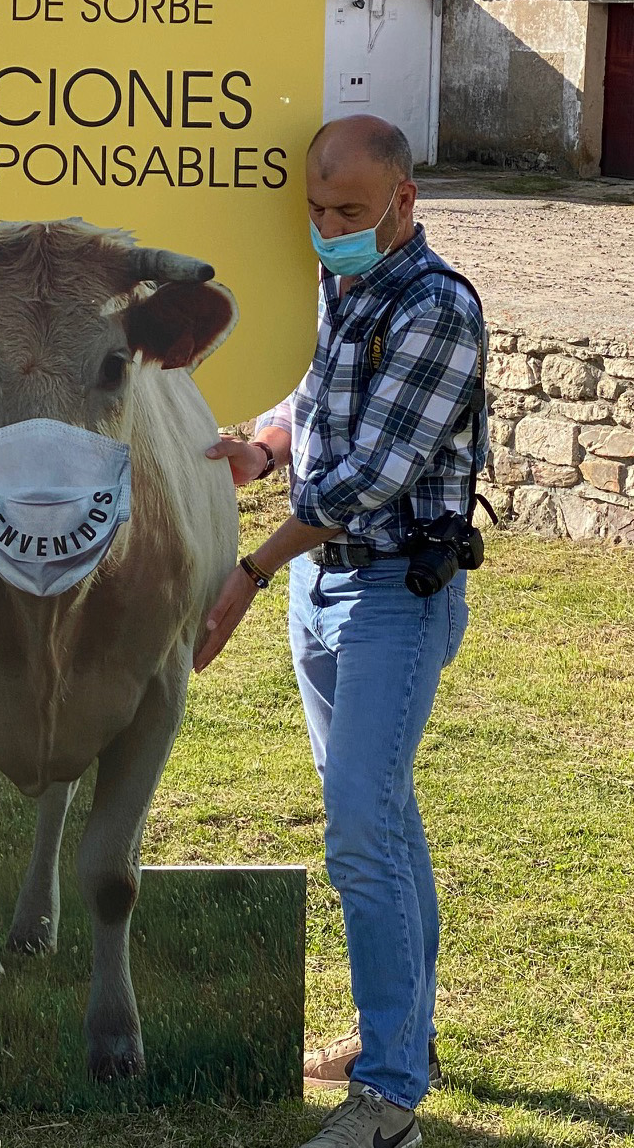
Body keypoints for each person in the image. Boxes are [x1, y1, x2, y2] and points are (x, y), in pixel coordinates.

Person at [195, 115, 486, 1148]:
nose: (327, 227)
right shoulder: (332, 286)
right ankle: (400, 1040)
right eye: (316, 210)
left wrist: (249, 569)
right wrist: (263, 449)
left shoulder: (438, 306)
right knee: (383, 820)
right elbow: (307, 401)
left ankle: (389, 1098)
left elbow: (369, 476)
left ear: (405, 199)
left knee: (362, 832)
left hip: (393, 592)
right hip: (324, 588)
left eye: (349, 210)